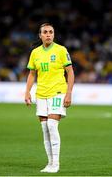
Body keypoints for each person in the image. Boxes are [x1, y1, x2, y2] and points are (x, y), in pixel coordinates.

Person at [25, 23, 74, 173]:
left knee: (52, 126)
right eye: (45, 32)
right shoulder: (35, 53)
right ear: (40, 35)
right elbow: (32, 73)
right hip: (41, 94)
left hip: (58, 92)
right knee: (45, 129)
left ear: (54, 34)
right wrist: (27, 92)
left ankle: (56, 164)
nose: (48, 34)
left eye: (51, 32)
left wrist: (69, 93)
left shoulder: (61, 50)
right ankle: (50, 163)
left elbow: (70, 73)